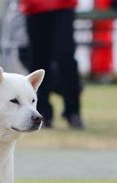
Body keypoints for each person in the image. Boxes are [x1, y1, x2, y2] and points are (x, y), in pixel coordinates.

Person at [21, 0, 85, 129]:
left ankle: (72, 111)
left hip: (63, 5)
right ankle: (42, 112)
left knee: (66, 58)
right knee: (38, 61)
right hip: (35, 6)